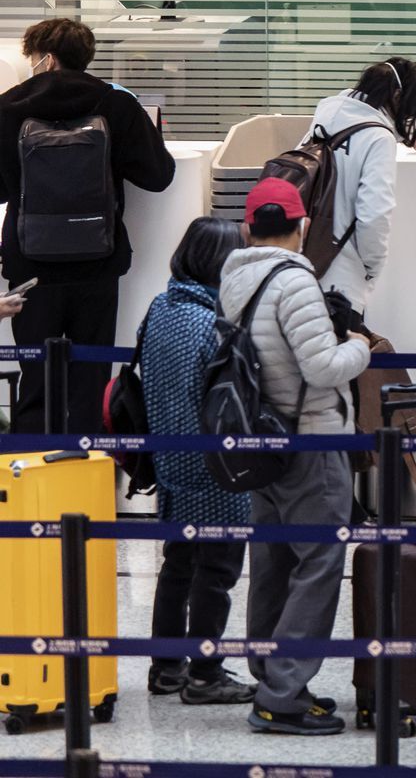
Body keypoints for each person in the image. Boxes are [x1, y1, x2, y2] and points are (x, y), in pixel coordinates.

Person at [223, 177, 371, 735]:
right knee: (318, 565)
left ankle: (271, 678)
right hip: (310, 441)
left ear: (247, 228)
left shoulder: (234, 278)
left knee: (273, 565)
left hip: (262, 440)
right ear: (302, 225)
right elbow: (322, 369)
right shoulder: (295, 282)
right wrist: (360, 346)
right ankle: (282, 694)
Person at [0, 17, 174, 435]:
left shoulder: (8, 107)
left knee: (36, 375)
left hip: (31, 264)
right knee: (92, 376)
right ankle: (90, 467)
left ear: (45, 58)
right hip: (98, 260)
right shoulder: (117, 104)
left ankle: (32, 475)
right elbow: (158, 175)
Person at [142, 217, 253, 705]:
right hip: (214, 466)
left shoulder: (161, 307)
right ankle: (206, 673)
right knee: (218, 570)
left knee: (178, 563)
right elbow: (233, 397)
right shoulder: (215, 323)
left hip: (168, 457)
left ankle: (166, 668)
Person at [308, 57, 416, 311]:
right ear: (397, 97)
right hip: (341, 276)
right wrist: (371, 267)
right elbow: (374, 213)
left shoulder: (327, 117)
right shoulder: (377, 137)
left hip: (304, 259)